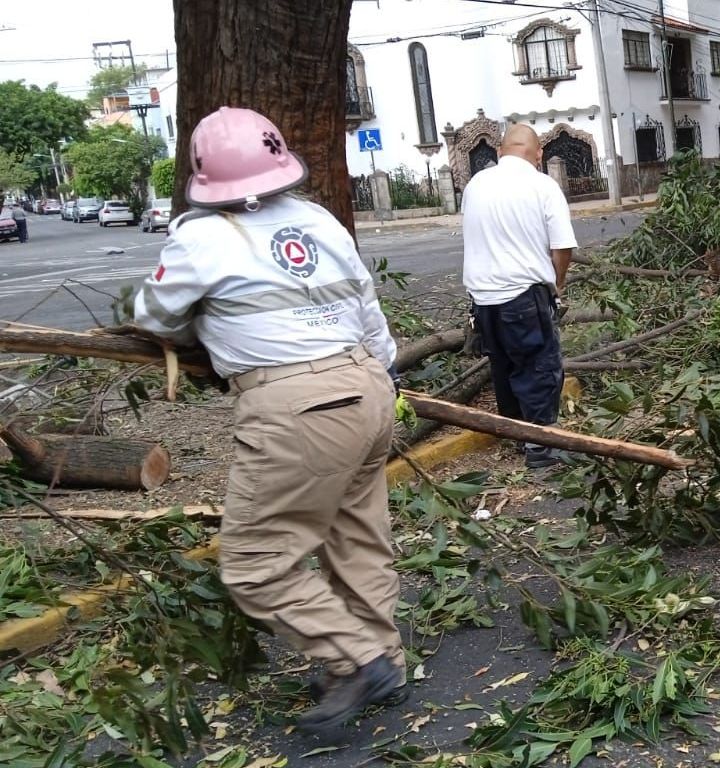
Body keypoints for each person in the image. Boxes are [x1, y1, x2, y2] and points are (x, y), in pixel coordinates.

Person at [132, 106, 406, 731]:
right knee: (358, 537)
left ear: (203, 174)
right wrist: (384, 377)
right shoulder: (320, 220)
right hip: (367, 386)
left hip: (293, 406)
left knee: (254, 564)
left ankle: (360, 659)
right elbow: (368, 308)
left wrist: (199, 324)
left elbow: (153, 315)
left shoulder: (200, 237)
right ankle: (381, 653)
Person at [460, 123, 577, 468]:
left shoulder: (475, 184)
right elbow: (562, 246)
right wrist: (558, 283)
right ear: (539, 154)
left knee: (504, 366)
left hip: (483, 299)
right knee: (539, 366)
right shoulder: (542, 185)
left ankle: (515, 434)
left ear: (500, 152)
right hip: (523, 295)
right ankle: (541, 450)